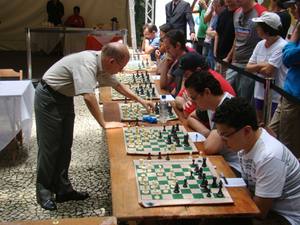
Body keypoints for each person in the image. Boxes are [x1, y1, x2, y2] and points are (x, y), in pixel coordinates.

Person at [34, 42, 154, 211]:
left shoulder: (102, 64)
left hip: (64, 97)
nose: (121, 71)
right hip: (49, 97)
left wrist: (142, 101)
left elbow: (118, 86)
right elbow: (89, 97)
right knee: (49, 147)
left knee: (65, 145)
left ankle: (62, 189)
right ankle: (43, 191)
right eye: (122, 66)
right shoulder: (87, 63)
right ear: (111, 61)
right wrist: (104, 124)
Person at [213, 97, 300, 225]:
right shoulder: (245, 144)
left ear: (247, 130)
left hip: (285, 217)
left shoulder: (269, 156)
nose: (223, 141)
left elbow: (259, 211)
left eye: (226, 136)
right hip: (262, 206)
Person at [184, 71, 241, 174]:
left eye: (194, 98)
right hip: (221, 158)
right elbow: (191, 118)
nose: (192, 102)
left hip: (235, 166)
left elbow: (210, 148)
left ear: (207, 92)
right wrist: (208, 134)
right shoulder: (211, 104)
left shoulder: (227, 107)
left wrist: (212, 138)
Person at [246, 12, 287, 123]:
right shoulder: (260, 44)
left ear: (267, 29)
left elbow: (268, 71)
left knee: (271, 125)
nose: (257, 28)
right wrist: (263, 64)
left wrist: (260, 67)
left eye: (259, 26)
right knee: (260, 122)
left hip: (275, 95)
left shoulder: (282, 46)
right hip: (259, 92)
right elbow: (248, 67)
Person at [269, 21, 300, 158]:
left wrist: (295, 36)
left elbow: (288, 57)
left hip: (295, 97)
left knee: (287, 146)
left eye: (296, 6)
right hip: (288, 92)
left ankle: (287, 178)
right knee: (270, 134)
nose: (294, 10)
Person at [225, 0, 266, 102]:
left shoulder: (262, 14)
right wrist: (230, 58)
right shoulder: (237, 12)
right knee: (226, 95)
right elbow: (237, 38)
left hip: (250, 66)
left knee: (243, 101)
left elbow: (267, 41)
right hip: (235, 64)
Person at [173, 52, 236, 118]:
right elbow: (177, 99)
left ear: (198, 70)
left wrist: (188, 104)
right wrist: (185, 103)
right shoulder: (194, 81)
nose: (185, 78)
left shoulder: (206, 82)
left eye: (186, 75)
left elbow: (187, 114)